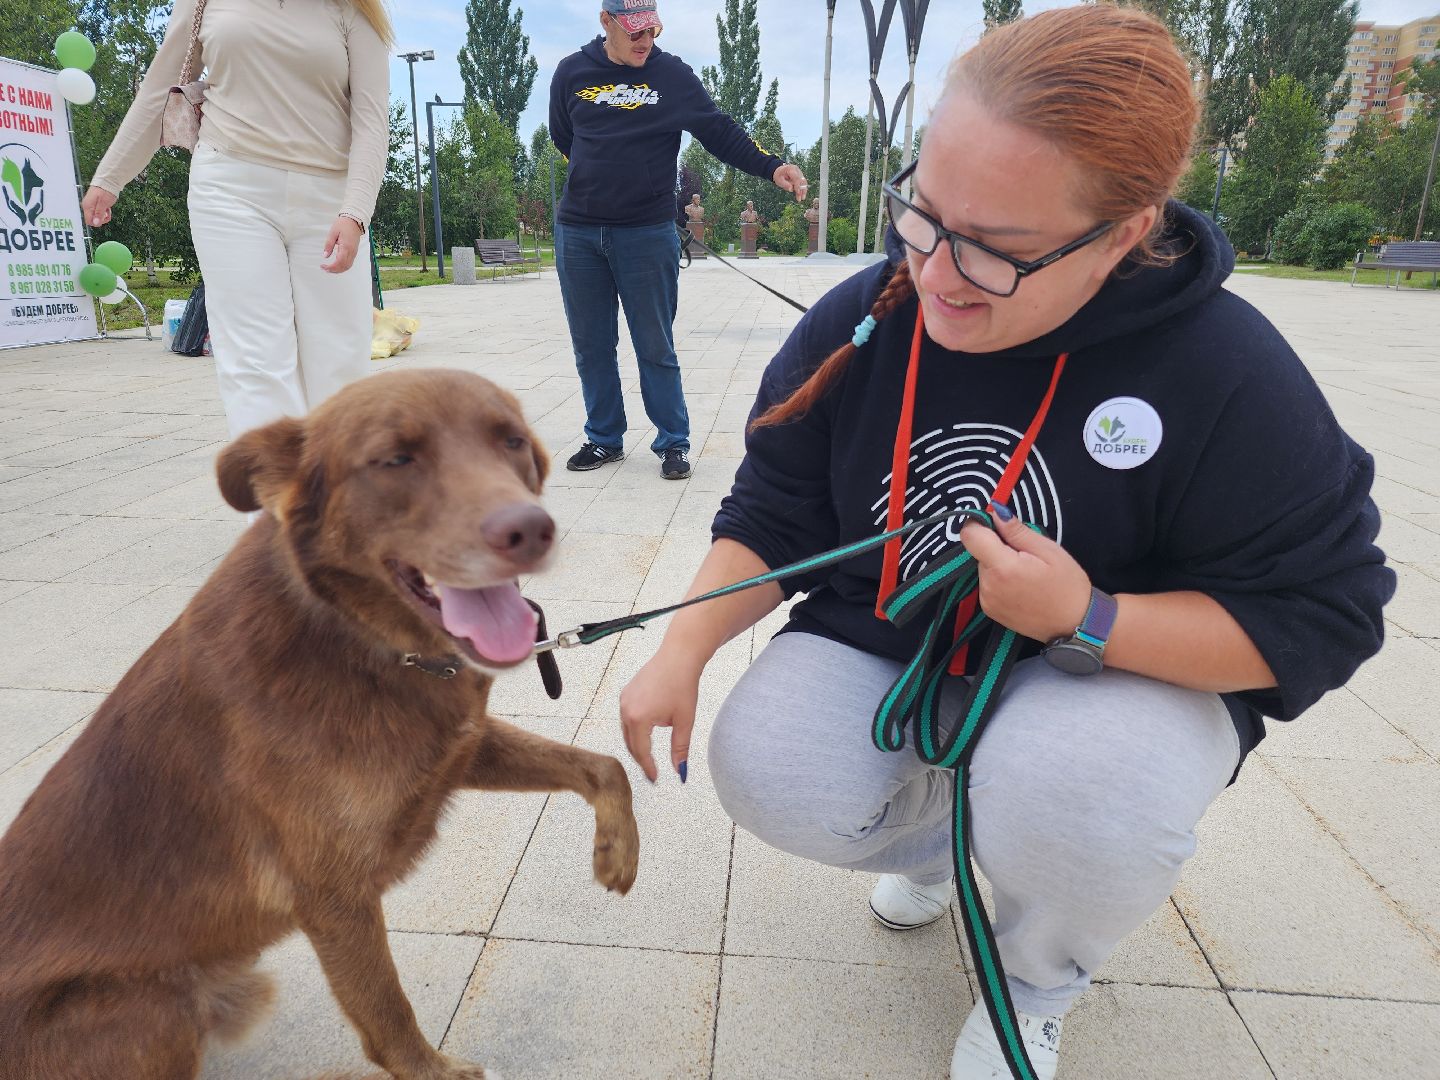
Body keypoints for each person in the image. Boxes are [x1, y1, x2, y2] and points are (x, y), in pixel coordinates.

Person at [618, 7, 1394, 1078]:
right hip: (905, 647)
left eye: (994, 251)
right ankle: (968, 835)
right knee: (769, 770)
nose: (936, 273)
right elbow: (772, 508)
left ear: (1124, 232)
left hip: (1109, 682)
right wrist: (680, 650)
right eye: (924, 213)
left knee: (1077, 793)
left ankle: (1036, 976)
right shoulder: (869, 314)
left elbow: (1327, 613)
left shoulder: (1228, 371)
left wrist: (1091, 617)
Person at [82, 0, 391, 441]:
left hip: (330, 200)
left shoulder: (354, 7)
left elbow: (372, 118)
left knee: (340, 363)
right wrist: (110, 177)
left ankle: (342, 498)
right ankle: (277, 505)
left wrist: (356, 212)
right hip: (229, 188)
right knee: (255, 362)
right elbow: (159, 89)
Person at [549, 0, 809, 480]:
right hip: (579, 232)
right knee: (591, 344)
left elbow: (720, 131)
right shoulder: (571, 73)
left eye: (652, 30)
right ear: (605, 22)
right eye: (634, 34)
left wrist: (774, 166)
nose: (645, 42)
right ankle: (604, 438)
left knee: (655, 343)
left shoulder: (672, 76)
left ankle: (673, 441)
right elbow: (565, 138)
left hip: (646, 233)